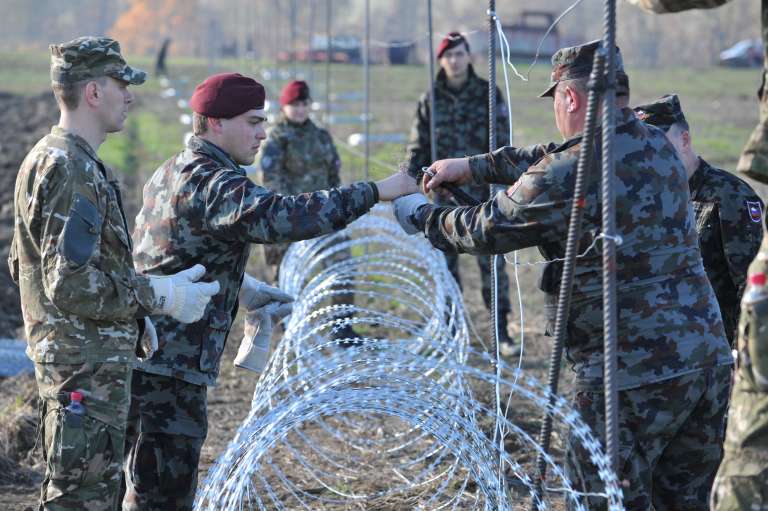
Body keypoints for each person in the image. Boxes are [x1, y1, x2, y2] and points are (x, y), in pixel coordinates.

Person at [394, 40, 732, 509]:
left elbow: (483, 230)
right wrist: (471, 167)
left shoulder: (568, 173)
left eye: (556, 100)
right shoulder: (657, 144)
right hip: (704, 361)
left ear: (570, 98)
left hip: (627, 375)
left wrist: (419, 215)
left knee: (596, 499)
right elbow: (550, 153)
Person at [123, 72, 418, 510]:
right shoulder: (213, 182)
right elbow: (283, 215)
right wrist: (376, 191)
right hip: (170, 368)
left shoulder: (174, 169)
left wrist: (240, 287)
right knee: (162, 497)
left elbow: (177, 254)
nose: (263, 132)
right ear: (216, 123)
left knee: (141, 485)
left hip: (155, 356)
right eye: (253, 121)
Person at [7, 36, 218, 511]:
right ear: (93, 93)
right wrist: (155, 296)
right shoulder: (69, 168)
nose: (131, 96)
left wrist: (133, 315)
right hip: (81, 372)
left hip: (87, 368)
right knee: (81, 500)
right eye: (122, 85)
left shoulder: (62, 159)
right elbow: (69, 283)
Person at [404, 31, 516, 354]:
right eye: (448, 55)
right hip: (444, 195)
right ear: (440, 60)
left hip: (483, 193)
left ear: (469, 57)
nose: (454, 60)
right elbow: (418, 146)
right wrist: (411, 183)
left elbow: (503, 141)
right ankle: (451, 330)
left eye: (459, 53)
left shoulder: (487, 94)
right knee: (445, 263)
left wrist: (503, 178)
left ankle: (501, 331)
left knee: (491, 262)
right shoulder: (431, 100)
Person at [635, 93, 763, 346]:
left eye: (660, 144)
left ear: (684, 140)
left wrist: (743, 352)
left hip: (720, 352)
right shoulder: (646, 200)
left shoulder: (729, 196)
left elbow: (751, 287)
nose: (652, 156)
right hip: (668, 353)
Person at [259, 80, 359, 342]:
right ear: (284, 106)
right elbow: (271, 180)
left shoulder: (321, 136)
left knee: (342, 265)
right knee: (285, 275)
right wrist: (291, 211)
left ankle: (341, 326)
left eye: (304, 104)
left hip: (324, 215)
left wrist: (337, 207)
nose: (300, 110)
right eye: (294, 104)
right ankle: (286, 328)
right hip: (289, 216)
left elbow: (333, 175)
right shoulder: (277, 139)